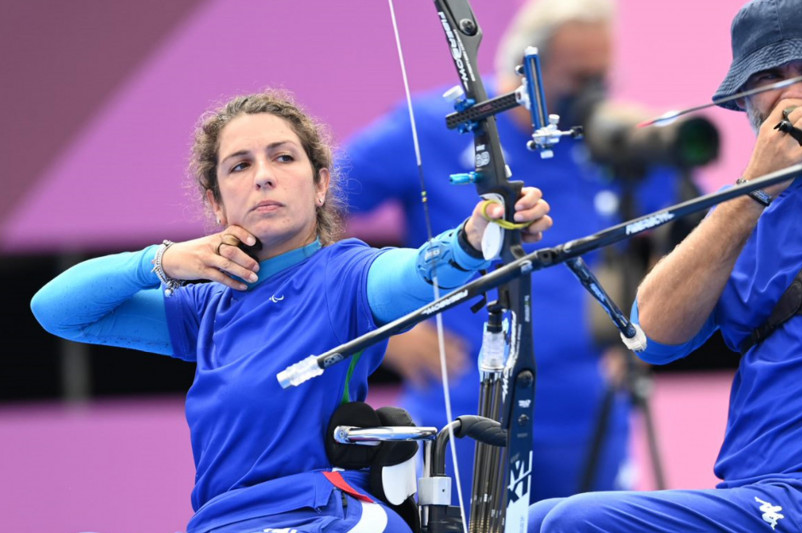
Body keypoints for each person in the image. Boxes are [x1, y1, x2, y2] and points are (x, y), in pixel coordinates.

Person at [30, 90, 551, 533]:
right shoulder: (204, 305)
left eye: (283, 158)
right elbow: (58, 310)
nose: (263, 177)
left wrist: (474, 237)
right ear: (216, 203)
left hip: (319, 515)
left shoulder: (345, 274)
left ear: (321, 183)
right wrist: (161, 260)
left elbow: (415, 274)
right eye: (240, 165)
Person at [528, 0, 802, 531]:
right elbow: (651, 338)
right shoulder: (736, 219)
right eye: (770, 76)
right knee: (532, 520)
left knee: (569, 523)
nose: (793, 93)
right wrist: (753, 188)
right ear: (746, 100)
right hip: (754, 496)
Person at [343, 0, 695, 505]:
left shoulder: (606, 141)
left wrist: (650, 327)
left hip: (587, 410)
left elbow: (693, 221)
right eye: (580, 78)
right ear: (524, 69)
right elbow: (317, 206)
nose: (595, 95)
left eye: (603, 77)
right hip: (463, 410)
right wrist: (385, 334)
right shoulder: (432, 127)